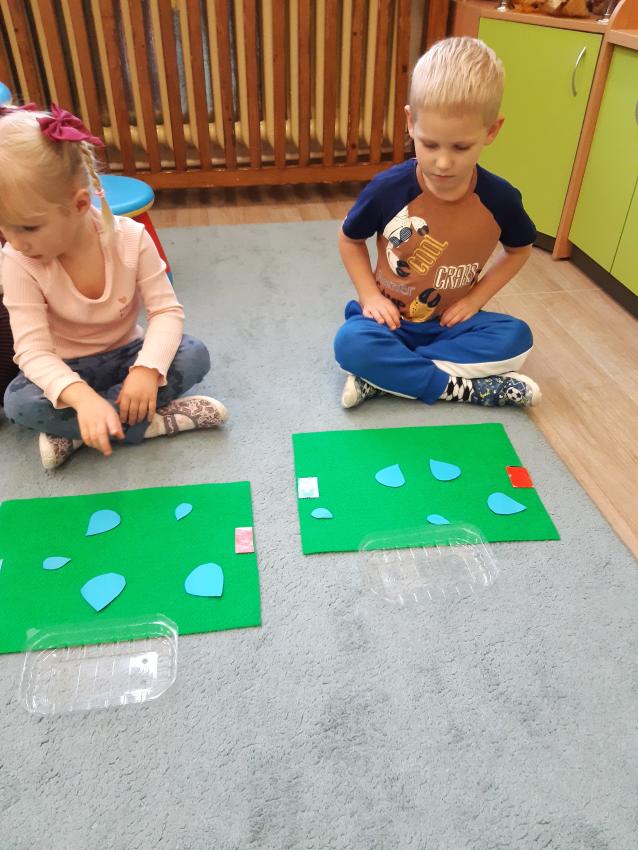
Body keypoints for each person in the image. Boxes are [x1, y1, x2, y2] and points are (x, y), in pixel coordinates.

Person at [0, 104, 227, 469]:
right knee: (18, 402)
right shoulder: (16, 260)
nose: (14, 241)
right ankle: (153, 422)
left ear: (79, 204)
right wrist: (81, 398)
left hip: (128, 354)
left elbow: (166, 312)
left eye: (28, 227)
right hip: (67, 367)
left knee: (193, 354)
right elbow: (32, 351)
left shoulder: (131, 238)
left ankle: (80, 432)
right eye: (3, 226)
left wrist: (147, 370)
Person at [334, 37, 541, 410]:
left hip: (451, 325)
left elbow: (519, 250)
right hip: (389, 321)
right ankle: (464, 389)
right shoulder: (387, 189)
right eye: (430, 145)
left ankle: (386, 378)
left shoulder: (500, 198)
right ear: (410, 122)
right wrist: (369, 296)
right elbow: (350, 239)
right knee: (351, 343)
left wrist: (476, 300)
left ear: (492, 131)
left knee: (517, 338)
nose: (443, 163)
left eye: (460, 147)